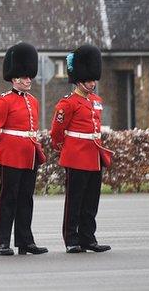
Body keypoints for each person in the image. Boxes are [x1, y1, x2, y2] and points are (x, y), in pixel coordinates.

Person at [0, 42, 48, 256]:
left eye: (29, 77)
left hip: (29, 154)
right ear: (14, 79)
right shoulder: (5, 101)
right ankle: (3, 241)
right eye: (24, 77)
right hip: (10, 155)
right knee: (8, 198)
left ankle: (25, 240)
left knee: (26, 199)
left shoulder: (33, 101)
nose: (28, 80)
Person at [50, 44, 112, 254]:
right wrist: (65, 150)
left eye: (94, 80)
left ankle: (88, 237)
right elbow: (57, 132)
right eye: (88, 80)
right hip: (76, 156)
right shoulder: (67, 103)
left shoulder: (96, 101)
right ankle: (71, 239)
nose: (92, 84)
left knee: (91, 201)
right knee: (74, 201)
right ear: (78, 80)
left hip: (94, 154)